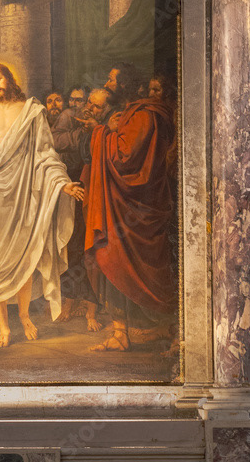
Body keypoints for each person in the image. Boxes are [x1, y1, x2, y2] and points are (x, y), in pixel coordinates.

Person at [0, 63, 84, 347]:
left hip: (22, 189)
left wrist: (62, 183)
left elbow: (45, 154)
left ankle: (25, 315)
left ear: (9, 78)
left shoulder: (32, 111)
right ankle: (3, 328)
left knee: (23, 256)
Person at [81, 88, 177, 352]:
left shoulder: (141, 115)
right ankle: (121, 332)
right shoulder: (137, 114)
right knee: (113, 261)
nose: (109, 82)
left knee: (115, 260)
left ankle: (148, 330)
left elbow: (124, 156)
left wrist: (101, 132)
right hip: (124, 206)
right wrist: (102, 130)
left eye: (113, 79)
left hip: (129, 208)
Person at [50, 88, 112, 330]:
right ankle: (70, 301)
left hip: (94, 186)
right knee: (72, 247)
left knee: (92, 248)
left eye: (82, 100)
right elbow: (56, 142)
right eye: (73, 99)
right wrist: (83, 133)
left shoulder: (101, 121)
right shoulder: (68, 116)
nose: (79, 105)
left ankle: (91, 309)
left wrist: (94, 130)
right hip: (71, 187)